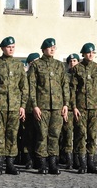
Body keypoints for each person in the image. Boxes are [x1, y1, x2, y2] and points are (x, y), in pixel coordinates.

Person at [0, 36, 28, 175]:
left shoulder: (18, 65)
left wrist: (22, 106)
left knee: (12, 135)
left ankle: (10, 164)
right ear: (3, 48)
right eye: (8, 47)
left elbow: (24, 87)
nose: (11, 49)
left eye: (13, 47)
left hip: (15, 106)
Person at [28, 38, 70, 175]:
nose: (52, 49)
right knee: (42, 135)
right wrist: (34, 105)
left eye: (54, 47)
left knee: (55, 135)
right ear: (43, 49)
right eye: (50, 47)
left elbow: (65, 86)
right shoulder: (36, 65)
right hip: (42, 106)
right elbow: (31, 87)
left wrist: (66, 104)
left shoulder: (59, 65)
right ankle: (42, 164)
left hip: (57, 106)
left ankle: (53, 163)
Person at [70, 43, 97, 174]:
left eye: (92, 52)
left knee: (92, 136)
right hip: (81, 108)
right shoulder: (77, 69)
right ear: (83, 54)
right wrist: (73, 107)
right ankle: (82, 163)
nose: (91, 55)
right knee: (81, 135)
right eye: (88, 52)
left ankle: (91, 163)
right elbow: (72, 90)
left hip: (95, 108)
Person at [59, 53, 80, 169]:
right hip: (68, 109)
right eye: (70, 61)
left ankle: (78, 160)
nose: (72, 63)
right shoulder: (65, 76)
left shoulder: (81, 75)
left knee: (79, 135)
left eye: (75, 60)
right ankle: (69, 160)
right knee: (67, 135)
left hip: (80, 109)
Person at [20, 52, 40, 169]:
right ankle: (28, 159)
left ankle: (38, 159)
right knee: (28, 135)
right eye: (34, 61)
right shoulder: (26, 75)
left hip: (39, 109)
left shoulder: (41, 75)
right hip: (27, 109)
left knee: (39, 135)